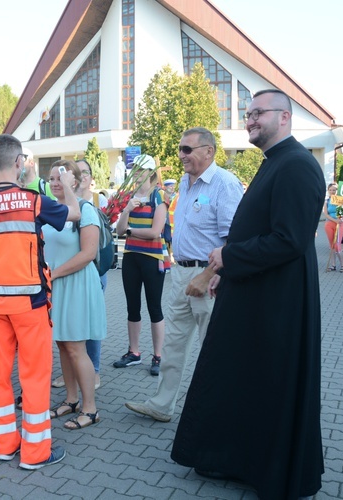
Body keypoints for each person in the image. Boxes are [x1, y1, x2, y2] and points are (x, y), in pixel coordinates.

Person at [171, 89, 325, 499]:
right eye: (248, 113)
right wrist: (227, 269)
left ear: (285, 118)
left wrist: (228, 255)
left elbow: (288, 240)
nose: (251, 119)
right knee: (245, 380)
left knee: (269, 384)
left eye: (259, 113)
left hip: (277, 302)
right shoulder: (276, 162)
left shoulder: (296, 166)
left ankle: (268, 470)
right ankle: (237, 458)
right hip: (255, 292)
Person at [0, 134, 80, 470]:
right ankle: (35, 453)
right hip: (31, 303)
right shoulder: (33, 200)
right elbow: (75, 213)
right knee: (35, 377)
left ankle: (4, 446)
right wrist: (68, 183)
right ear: (19, 162)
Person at [125, 127, 242, 423]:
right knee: (173, 345)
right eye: (180, 149)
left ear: (208, 151)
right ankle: (162, 405)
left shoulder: (224, 184)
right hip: (181, 273)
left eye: (187, 150)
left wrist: (207, 277)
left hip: (209, 277)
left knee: (212, 348)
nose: (181, 155)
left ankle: (217, 413)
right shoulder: (186, 184)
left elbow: (234, 240)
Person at [43, 160, 106, 430]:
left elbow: (88, 254)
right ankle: (71, 399)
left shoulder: (86, 210)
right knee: (62, 344)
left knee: (76, 348)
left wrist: (53, 275)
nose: (56, 182)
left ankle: (90, 409)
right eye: (52, 178)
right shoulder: (51, 210)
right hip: (56, 284)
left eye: (62, 177)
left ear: (76, 180)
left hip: (76, 283)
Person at [112, 154, 168, 376]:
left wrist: (130, 231)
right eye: (134, 169)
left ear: (150, 172)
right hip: (131, 257)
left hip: (153, 258)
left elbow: (156, 231)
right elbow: (118, 231)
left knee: (155, 307)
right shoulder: (129, 196)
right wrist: (126, 210)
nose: (135, 173)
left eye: (139, 169)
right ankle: (134, 353)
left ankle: (158, 356)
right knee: (132, 307)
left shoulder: (158, 195)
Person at [323, 183, 343, 272]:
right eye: (330, 190)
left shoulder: (340, 200)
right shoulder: (327, 201)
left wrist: (341, 219)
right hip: (329, 224)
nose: (332, 192)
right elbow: (326, 213)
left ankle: (342, 265)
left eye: (334, 190)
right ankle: (333, 265)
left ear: (337, 191)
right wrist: (334, 220)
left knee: (337, 245)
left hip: (339, 224)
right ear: (328, 191)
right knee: (332, 245)